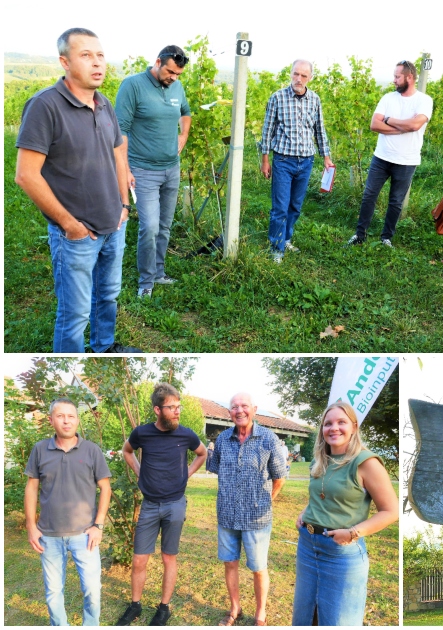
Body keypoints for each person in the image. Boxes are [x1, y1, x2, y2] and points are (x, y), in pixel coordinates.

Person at [14, 28, 137, 353]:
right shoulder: (45, 106)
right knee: (75, 313)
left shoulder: (104, 104)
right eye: (85, 55)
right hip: (77, 236)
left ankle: (103, 347)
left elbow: (118, 152)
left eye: (100, 55)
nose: (97, 63)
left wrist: (124, 206)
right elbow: (26, 176)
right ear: (65, 62)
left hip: (114, 225)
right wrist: (70, 225)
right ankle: (72, 368)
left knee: (108, 295)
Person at [292, 402, 400, 626]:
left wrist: (352, 533)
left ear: (353, 426)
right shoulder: (320, 460)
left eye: (341, 422)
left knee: (338, 620)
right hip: (307, 547)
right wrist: (306, 511)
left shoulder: (366, 462)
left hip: (341, 553)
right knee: (305, 618)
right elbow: (323, 494)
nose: (334, 428)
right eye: (328, 423)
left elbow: (391, 511)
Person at [117, 383, 206, 626]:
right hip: (149, 505)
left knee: (169, 558)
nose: (177, 411)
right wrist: (139, 471)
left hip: (175, 504)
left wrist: (186, 473)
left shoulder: (186, 434)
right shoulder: (142, 433)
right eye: (172, 407)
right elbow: (127, 451)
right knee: (139, 560)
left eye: (179, 406)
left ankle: (164, 608)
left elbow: (202, 453)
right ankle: (135, 606)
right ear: (157, 409)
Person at [25, 398, 112, 626]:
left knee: (92, 589)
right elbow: (32, 488)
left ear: (77, 420)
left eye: (71, 416)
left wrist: (99, 525)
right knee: (53, 592)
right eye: (61, 416)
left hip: (85, 535)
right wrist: (31, 526)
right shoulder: (39, 449)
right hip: (49, 536)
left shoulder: (92, 450)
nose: (66, 421)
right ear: (52, 419)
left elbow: (105, 487)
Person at [115, 45, 191, 300]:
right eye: (170, 71)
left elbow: (186, 112)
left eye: (178, 74)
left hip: (172, 168)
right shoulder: (132, 86)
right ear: (158, 62)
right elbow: (120, 130)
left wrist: (183, 135)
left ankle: (159, 272)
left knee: (165, 225)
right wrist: (124, 170)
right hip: (143, 170)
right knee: (149, 226)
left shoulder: (176, 87)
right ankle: (145, 280)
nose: (173, 77)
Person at [207, 392, 289, 626]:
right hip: (227, 515)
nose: (239, 410)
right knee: (230, 563)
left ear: (254, 409)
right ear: (229, 412)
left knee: (258, 567)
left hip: (257, 518)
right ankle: (235, 609)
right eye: (234, 407)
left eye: (244, 406)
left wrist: (267, 500)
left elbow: (280, 477)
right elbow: (215, 469)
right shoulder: (222, 439)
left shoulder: (268, 438)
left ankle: (260, 613)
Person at [348, 60, 432, 249]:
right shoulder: (388, 98)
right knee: (369, 195)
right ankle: (359, 235)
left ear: (409, 77)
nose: (394, 80)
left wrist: (388, 120)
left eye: (397, 76)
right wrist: (401, 127)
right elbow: (374, 125)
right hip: (382, 157)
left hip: (406, 160)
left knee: (395, 201)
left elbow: (415, 125)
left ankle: (386, 238)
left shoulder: (424, 100)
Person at [259, 59, 334, 263]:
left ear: (310, 78)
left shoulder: (315, 100)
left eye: (303, 75)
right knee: (280, 206)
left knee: (295, 205)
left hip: (306, 161)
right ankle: (276, 247)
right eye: (295, 74)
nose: (298, 79)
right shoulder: (277, 98)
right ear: (290, 74)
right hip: (283, 160)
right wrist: (265, 160)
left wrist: (325, 157)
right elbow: (267, 131)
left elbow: (319, 130)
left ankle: (287, 238)